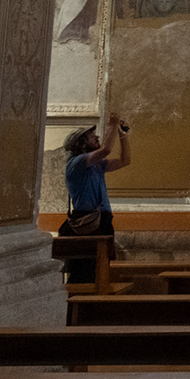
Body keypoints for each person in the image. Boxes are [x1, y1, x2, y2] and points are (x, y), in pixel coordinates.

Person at [61, 114, 133, 284]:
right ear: (81, 143)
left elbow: (125, 160)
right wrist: (112, 125)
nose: (97, 137)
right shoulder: (76, 162)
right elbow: (106, 150)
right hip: (86, 222)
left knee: (99, 268)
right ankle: (78, 305)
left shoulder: (97, 165)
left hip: (101, 220)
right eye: (92, 137)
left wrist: (122, 135)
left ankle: (91, 305)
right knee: (84, 272)